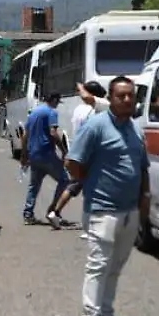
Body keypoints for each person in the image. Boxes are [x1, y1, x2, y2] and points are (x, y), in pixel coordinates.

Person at [66, 77, 151, 316]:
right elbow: (73, 162)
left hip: (130, 210)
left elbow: (143, 167)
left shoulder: (136, 130)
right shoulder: (96, 126)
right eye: (121, 96)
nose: (127, 100)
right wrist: (90, 181)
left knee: (115, 267)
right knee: (98, 266)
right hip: (103, 210)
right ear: (111, 98)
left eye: (131, 96)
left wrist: (144, 198)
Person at [49, 81, 108, 224]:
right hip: (92, 153)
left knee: (75, 184)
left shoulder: (78, 109)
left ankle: (55, 212)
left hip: (77, 149)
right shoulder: (96, 110)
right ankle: (91, 222)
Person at [19, 91, 74, 227]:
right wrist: (64, 151)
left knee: (34, 186)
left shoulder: (34, 113)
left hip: (34, 155)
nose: (57, 105)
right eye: (57, 101)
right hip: (46, 154)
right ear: (54, 100)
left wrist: (24, 154)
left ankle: (28, 215)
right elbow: (53, 133)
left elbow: (25, 135)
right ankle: (53, 211)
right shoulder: (51, 112)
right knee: (65, 180)